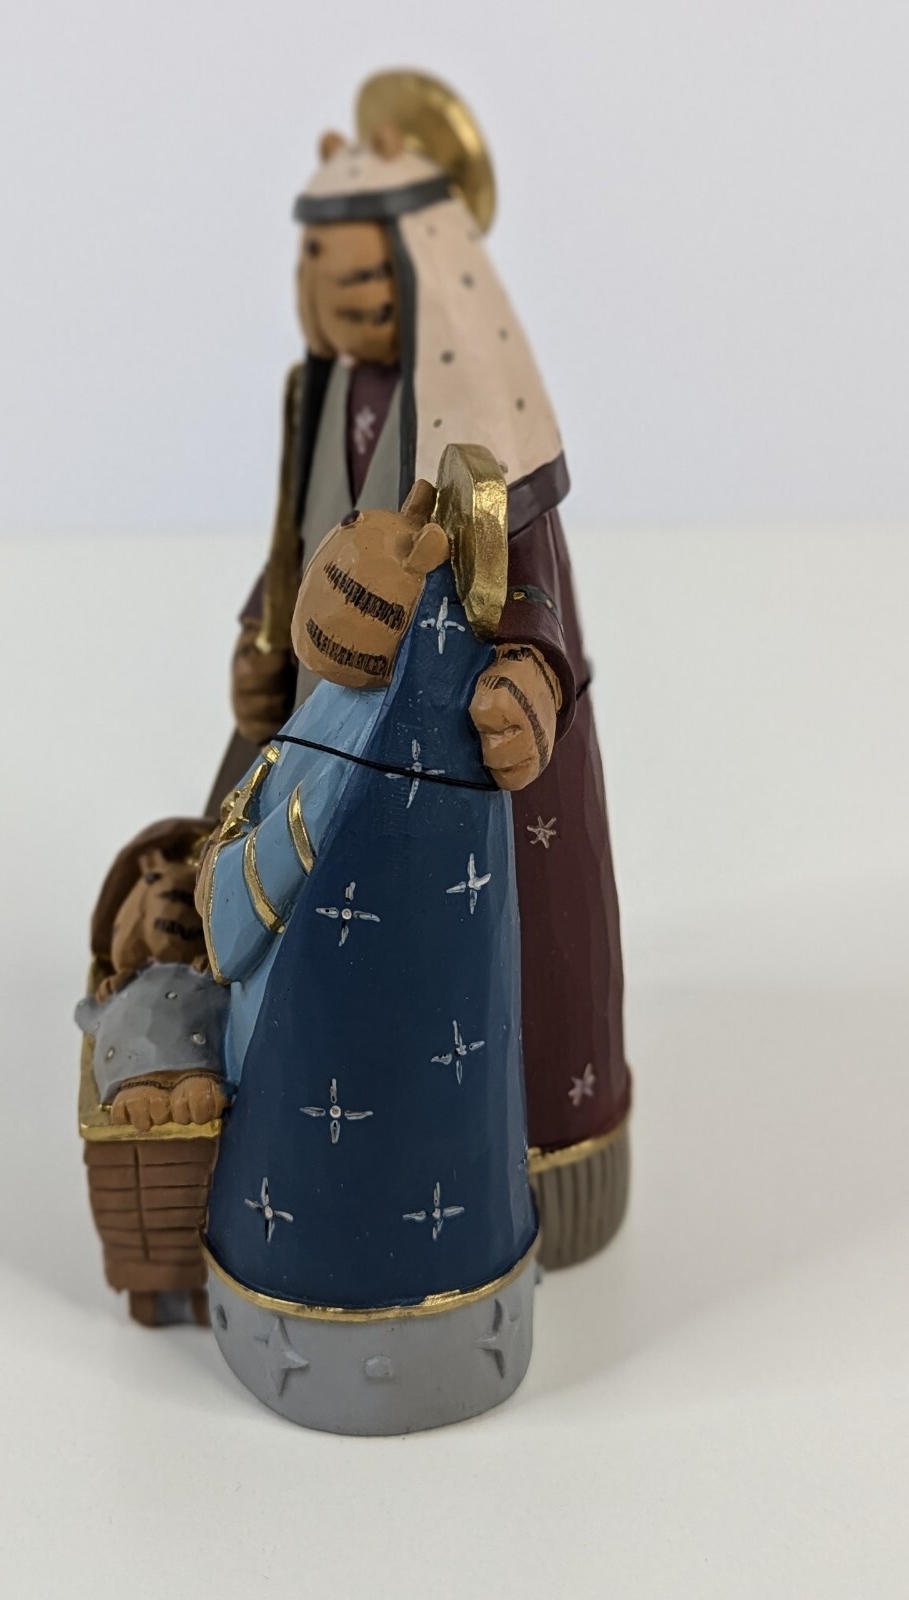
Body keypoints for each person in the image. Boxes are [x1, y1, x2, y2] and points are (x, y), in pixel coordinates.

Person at [208, 72, 630, 1267]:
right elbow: (295, 531)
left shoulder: (484, 426)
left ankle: (542, 1171)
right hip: (318, 725)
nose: (341, 291)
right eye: (321, 262)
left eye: (365, 267)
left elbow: (532, 585)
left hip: (454, 762)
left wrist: (528, 681)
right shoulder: (318, 392)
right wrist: (263, 631)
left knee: (502, 968)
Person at [198, 448, 537, 1434]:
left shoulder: (345, 752)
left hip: (305, 1135)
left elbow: (230, 932)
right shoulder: (337, 716)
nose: (329, 577)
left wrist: (234, 862)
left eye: (348, 576)